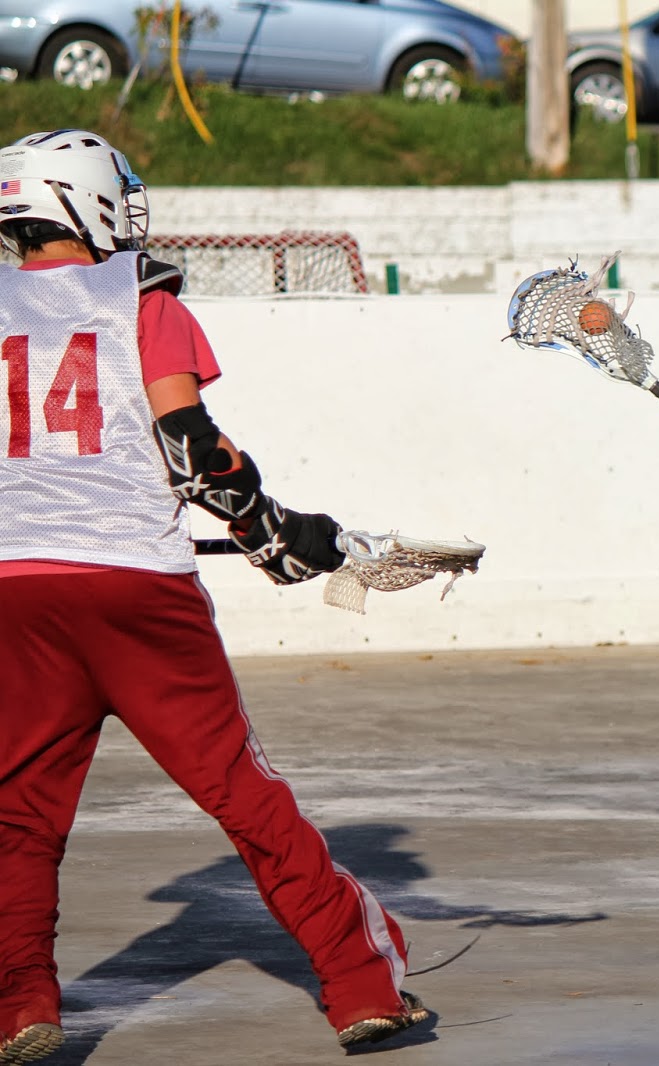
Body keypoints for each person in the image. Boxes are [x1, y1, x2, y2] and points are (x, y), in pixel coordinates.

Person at [0, 129, 428, 1061]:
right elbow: (190, 448)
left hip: (15, 591)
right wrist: (274, 535)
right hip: (137, 590)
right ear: (87, 203)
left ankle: (20, 1003)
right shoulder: (138, 295)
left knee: (19, 814)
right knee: (242, 793)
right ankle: (362, 986)